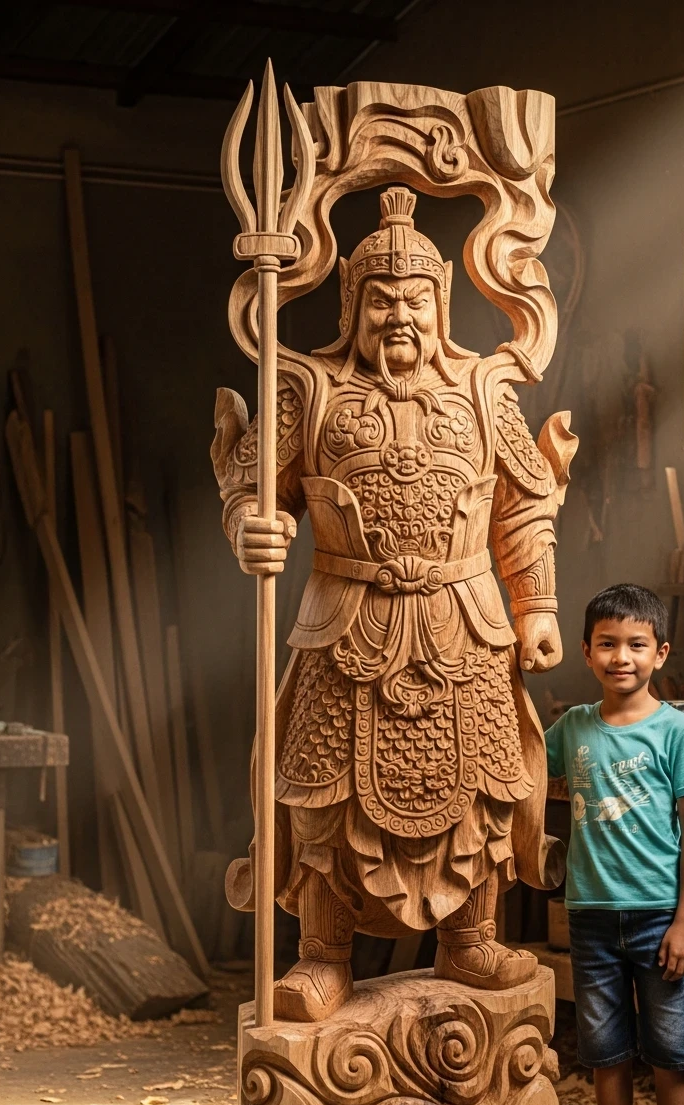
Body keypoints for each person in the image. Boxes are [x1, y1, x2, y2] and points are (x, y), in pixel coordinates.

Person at [212, 186, 575, 1022]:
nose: (399, 316)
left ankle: (470, 940)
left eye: (415, 299)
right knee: (323, 792)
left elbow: (523, 505)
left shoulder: (485, 389)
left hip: (464, 619)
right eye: (380, 300)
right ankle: (323, 956)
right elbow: (255, 488)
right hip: (346, 615)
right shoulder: (310, 387)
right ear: (352, 302)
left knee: (483, 783)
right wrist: (254, 526)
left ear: (440, 302)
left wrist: (541, 607)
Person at [545, 583, 684, 1105]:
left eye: (636, 645)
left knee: (672, 1050)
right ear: (587, 653)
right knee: (606, 1051)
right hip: (589, 917)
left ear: (660, 652)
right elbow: (530, 762)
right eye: (608, 644)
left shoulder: (677, 733)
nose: (622, 657)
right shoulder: (574, 729)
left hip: (659, 919)